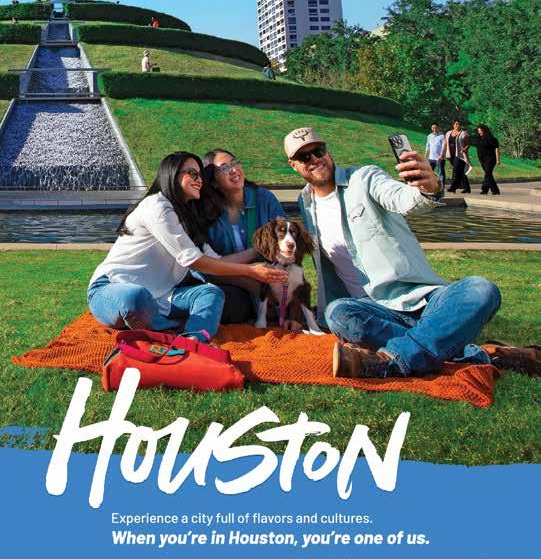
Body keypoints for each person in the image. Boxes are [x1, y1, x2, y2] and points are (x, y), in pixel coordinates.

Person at [285, 126, 540, 378]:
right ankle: (483, 353)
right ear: (293, 165)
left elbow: (401, 198)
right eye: (304, 156)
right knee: (337, 314)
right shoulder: (305, 203)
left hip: (420, 299)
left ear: (327, 151)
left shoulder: (364, 178)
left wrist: (429, 187)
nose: (315, 159)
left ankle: (390, 359)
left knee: (481, 290)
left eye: (319, 151)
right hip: (370, 312)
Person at [87, 152, 286, 341]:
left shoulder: (188, 218)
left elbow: (215, 263)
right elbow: (193, 261)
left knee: (212, 293)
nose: (199, 180)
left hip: (163, 298)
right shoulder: (156, 206)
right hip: (113, 286)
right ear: (173, 174)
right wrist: (251, 271)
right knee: (135, 297)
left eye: (200, 175)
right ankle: (169, 327)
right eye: (192, 173)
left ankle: (193, 338)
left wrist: (256, 254)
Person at [203, 149, 285, 323]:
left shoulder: (264, 198)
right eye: (225, 168)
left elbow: (285, 242)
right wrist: (249, 275)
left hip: (270, 276)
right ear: (213, 180)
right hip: (230, 282)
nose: (234, 170)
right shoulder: (205, 211)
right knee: (223, 302)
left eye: (235, 163)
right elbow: (204, 267)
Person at [442, 119, 471, 193]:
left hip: (460, 155)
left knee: (456, 171)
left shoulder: (463, 133)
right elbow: (445, 144)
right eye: (456, 124)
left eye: (459, 124)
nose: (457, 125)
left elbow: (468, 144)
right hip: (451, 155)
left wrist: (464, 149)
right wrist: (442, 154)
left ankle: (453, 187)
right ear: (453, 125)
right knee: (460, 172)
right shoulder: (448, 133)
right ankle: (467, 188)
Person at [476, 124, 501, 195]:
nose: (479, 132)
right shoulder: (479, 139)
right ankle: (493, 190)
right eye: (478, 131)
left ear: (485, 130)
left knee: (487, 174)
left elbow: (497, 150)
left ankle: (485, 189)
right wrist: (479, 158)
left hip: (490, 159)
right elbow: (478, 149)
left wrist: (498, 159)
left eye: (480, 130)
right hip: (482, 159)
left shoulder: (493, 139)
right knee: (489, 175)